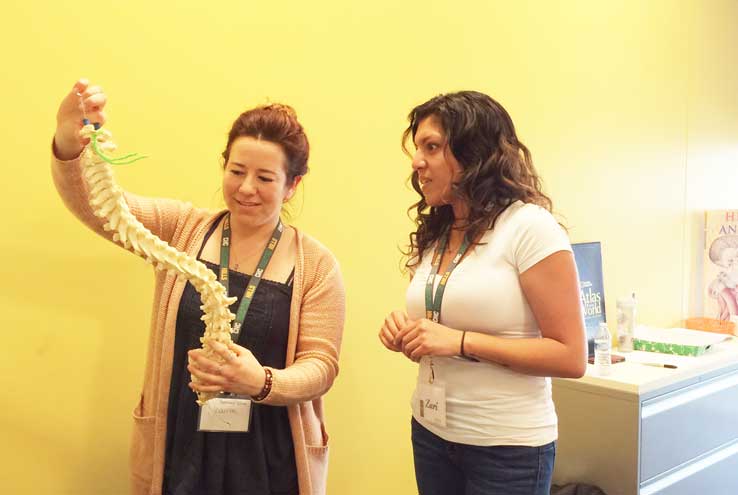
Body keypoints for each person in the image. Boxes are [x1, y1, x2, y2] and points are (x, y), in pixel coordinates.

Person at [52, 79, 345, 495]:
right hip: (182, 440)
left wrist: (261, 381)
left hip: (269, 453)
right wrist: (69, 141)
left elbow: (321, 366)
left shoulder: (316, 265)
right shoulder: (182, 229)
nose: (245, 188)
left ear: (292, 185)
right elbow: (102, 209)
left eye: (264, 178)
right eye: (236, 171)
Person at [378, 91, 586, 495]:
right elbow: (441, 327)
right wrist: (408, 333)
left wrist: (459, 342)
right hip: (431, 434)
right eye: (418, 148)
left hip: (506, 450)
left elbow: (571, 355)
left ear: (475, 154)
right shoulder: (437, 231)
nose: (417, 161)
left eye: (432, 147)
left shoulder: (529, 227)